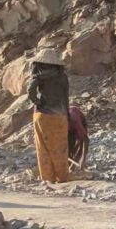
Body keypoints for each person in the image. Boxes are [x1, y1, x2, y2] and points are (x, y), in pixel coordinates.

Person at [28, 48, 71, 183]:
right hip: (60, 116)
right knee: (61, 147)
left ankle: (48, 178)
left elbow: (30, 90)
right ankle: (62, 177)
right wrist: (67, 114)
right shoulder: (62, 77)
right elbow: (65, 98)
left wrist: (38, 102)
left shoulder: (38, 76)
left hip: (42, 115)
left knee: (43, 148)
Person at [67, 103, 89, 172]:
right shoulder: (59, 124)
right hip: (69, 127)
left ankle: (79, 163)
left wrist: (83, 158)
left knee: (80, 142)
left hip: (79, 117)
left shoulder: (75, 121)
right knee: (68, 146)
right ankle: (71, 164)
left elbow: (86, 139)